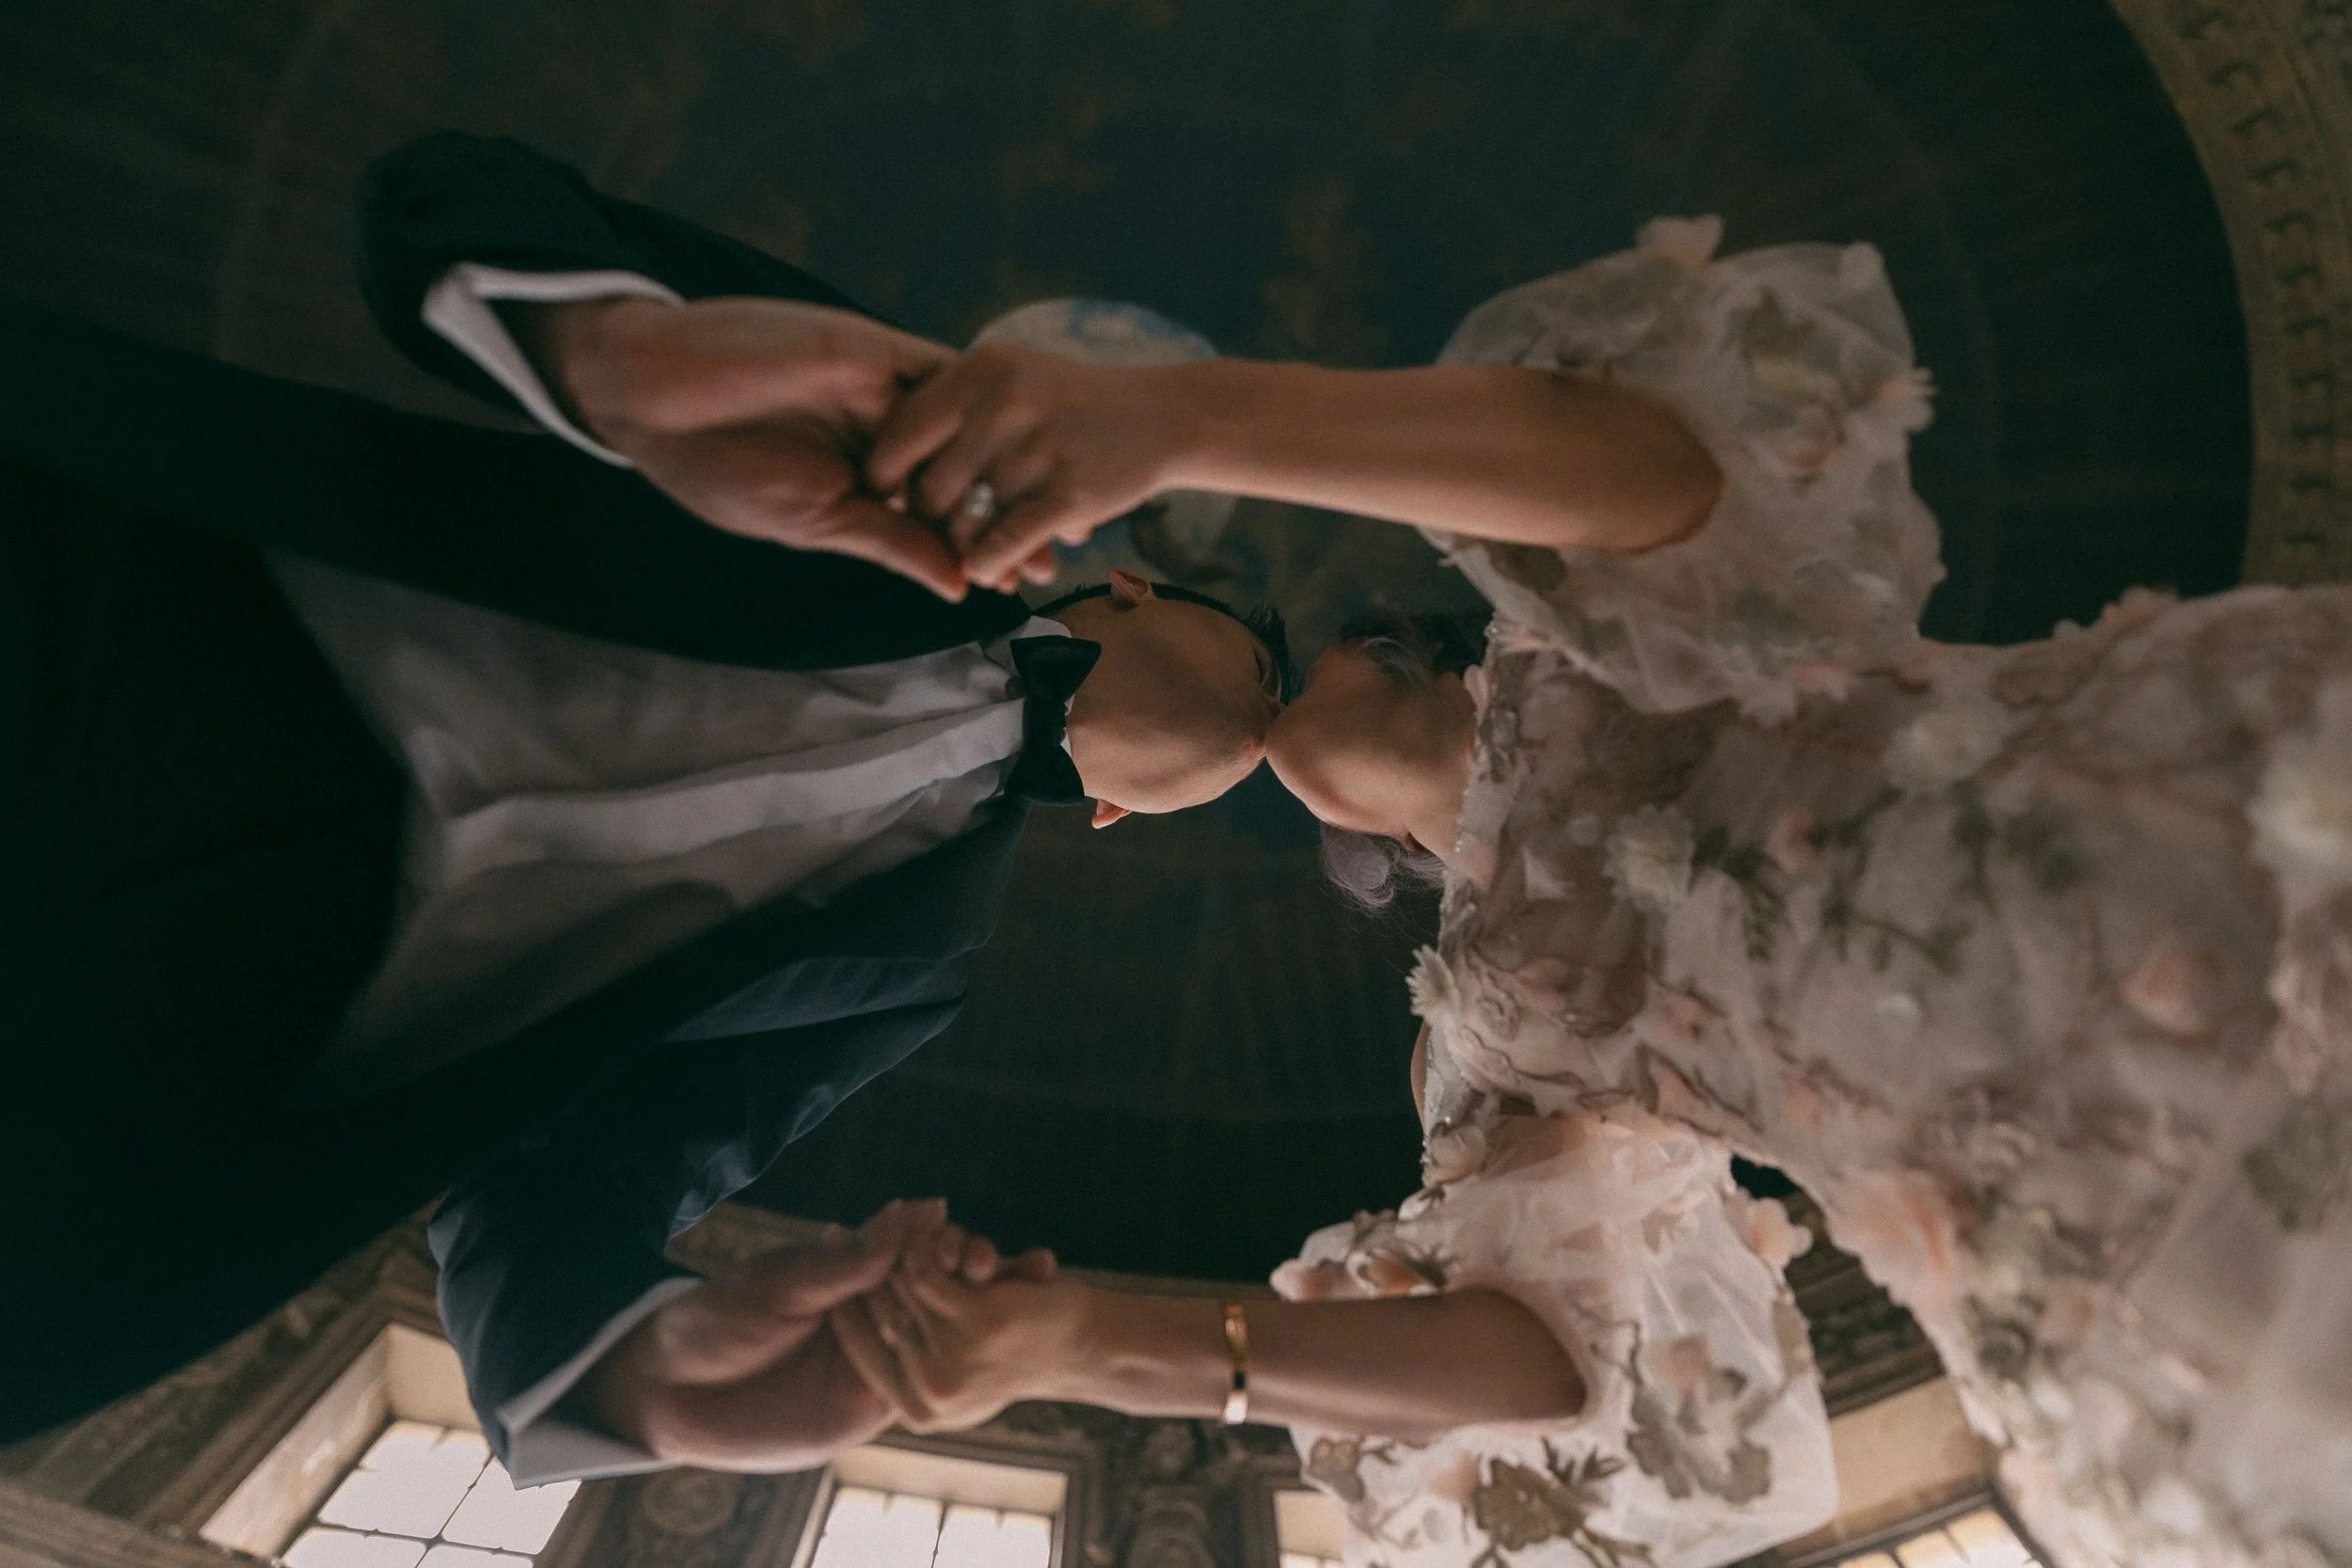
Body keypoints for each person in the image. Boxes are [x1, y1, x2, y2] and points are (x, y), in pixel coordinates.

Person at [836, 218, 2352, 1568]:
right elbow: (1536, 1361)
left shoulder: (1594, 638)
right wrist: (1089, 1341)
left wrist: (1182, 421)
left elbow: (1669, 466)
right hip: (2117, 1200)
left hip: (2228, 844)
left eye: (1281, 650)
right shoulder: (1478, 1036)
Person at [0, 131, 1286, 1481]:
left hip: (160, 1049)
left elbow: (574, 1179)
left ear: (1117, 820)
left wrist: (650, 1379)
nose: (1267, 732)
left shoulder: (912, 974)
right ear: (1131, 589)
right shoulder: (904, 448)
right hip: (135, 639)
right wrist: (607, 355)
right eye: (1266, 666)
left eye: (1251, 767)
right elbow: (445, 197)